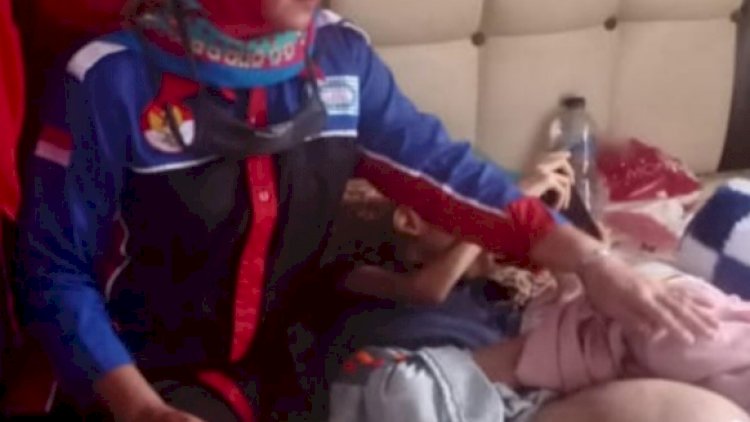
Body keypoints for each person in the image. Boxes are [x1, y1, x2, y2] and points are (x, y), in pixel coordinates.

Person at [14, 0, 718, 420]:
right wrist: (137, 405)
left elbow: (445, 172)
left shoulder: (341, 58)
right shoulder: (108, 80)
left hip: (299, 358)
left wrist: (592, 261)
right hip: (147, 375)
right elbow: (54, 271)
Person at [323, 186, 741, 421]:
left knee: (684, 332)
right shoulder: (373, 294)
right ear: (409, 220)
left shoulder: (487, 288)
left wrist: (566, 252)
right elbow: (427, 291)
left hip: (543, 362)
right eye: (460, 201)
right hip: (447, 384)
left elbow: (572, 290)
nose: (475, 208)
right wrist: (497, 212)